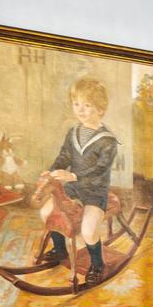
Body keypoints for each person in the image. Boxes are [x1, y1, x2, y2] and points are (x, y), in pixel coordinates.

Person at [35, 74, 119, 280]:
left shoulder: (108, 141)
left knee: (89, 230)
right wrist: (53, 170)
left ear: (100, 109)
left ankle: (97, 266)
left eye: (87, 105)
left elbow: (100, 171)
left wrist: (72, 175)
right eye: (76, 104)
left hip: (94, 191)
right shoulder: (73, 131)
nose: (80, 110)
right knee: (48, 212)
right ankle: (60, 250)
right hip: (72, 188)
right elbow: (64, 155)